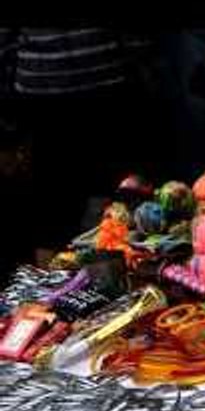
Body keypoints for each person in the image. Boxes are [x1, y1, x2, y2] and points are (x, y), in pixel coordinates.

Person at [0, 28, 161, 274]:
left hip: (75, 87)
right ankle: (51, 294)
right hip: (86, 85)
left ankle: (106, 291)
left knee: (65, 206)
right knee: (66, 206)